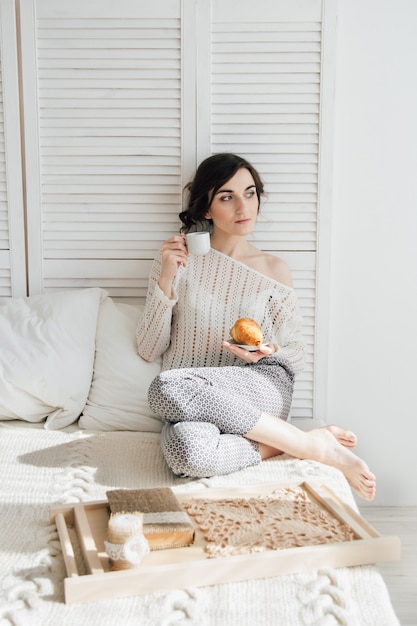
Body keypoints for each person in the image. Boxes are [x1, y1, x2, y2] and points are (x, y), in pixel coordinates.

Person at [136, 153, 376, 501]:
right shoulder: (178, 258)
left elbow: (296, 352)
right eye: (226, 197)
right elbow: (148, 348)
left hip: (259, 387)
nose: (243, 207)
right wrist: (167, 278)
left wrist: (268, 352)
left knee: (166, 386)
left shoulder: (274, 269)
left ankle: (308, 444)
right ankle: (306, 442)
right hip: (194, 399)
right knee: (186, 453)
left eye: (250, 193)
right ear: (206, 209)